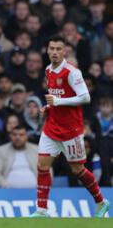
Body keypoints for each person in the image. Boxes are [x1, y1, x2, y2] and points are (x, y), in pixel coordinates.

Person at [31, 35, 110, 217]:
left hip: (70, 131)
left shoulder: (72, 72)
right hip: (51, 127)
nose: (55, 52)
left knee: (78, 170)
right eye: (52, 49)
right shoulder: (48, 70)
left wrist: (58, 101)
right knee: (42, 166)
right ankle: (42, 210)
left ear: (65, 50)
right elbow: (56, 98)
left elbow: (85, 97)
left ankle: (101, 202)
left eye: (59, 49)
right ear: (47, 50)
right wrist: (50, 107)